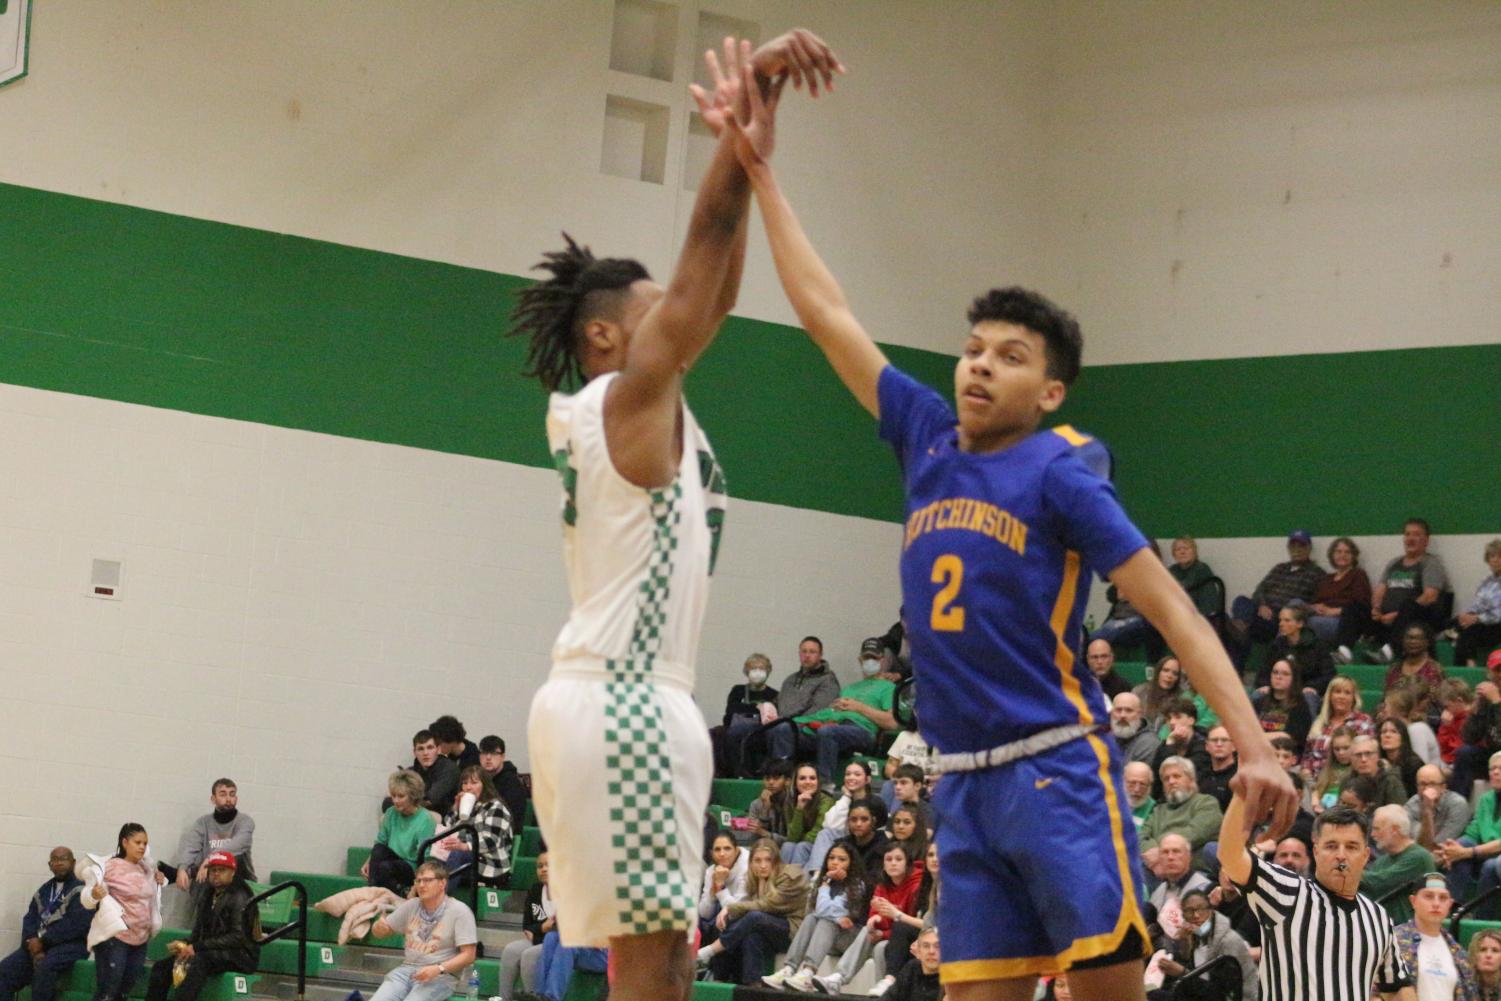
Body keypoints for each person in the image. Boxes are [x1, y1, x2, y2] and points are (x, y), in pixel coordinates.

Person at [728, 74, 1294, 999]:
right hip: (957, 783)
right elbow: (827, 314)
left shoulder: (1059, 470)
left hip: (1056, 770)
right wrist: (760, 173)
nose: (982, 364)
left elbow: (1174, 612)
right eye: (975, 347)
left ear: (1051, 392)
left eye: (1011, 355)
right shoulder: (924, 437)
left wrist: (1256, 744)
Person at [513, 32, 840, 1001]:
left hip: (605, 697)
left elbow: (714, 288)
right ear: (608, 333)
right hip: (623, 699)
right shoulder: (622, 397)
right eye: (656, 313)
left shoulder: (628, 407)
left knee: (651, 958)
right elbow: (701, 267)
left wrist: (748, 164)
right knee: (654, 962)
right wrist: (739, 133)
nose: (681, 321)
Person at [1219, 798, 1414, 1001]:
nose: (1341, 855)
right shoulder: (1288, 892)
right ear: (1316, 852)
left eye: (1351, 847)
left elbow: (1396, 988)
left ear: (1365, 856)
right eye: (1331, 846)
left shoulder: (1377, 917)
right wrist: (1243, 793)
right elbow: (1230, 856)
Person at [766, 638, 898, 789]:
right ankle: (781, 781)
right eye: (866, 657)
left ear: (882, 660)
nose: (869, 661)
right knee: (783, 728)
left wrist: (859, 707)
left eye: (874, 658)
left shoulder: (888, 687)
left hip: (862, 731)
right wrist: (796, 721)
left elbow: (892, 722)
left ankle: (824, 785)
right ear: (860, 660)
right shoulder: (850, 688)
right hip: (833, 724)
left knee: (827, 731)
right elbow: (829, 712)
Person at [144, 853, 258, 1001]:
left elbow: (238, 937)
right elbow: (199, 931)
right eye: (213, 870)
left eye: (222, 870)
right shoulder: (207, 893)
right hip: (211, 950)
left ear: (233, 872)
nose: (216, 874)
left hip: (240, 955)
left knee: (197, 961)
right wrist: (185, 944)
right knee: (162, 967)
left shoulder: (241, 896)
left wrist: (197, 947)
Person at [697, 838, 810, 985]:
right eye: (757, 860)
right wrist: (727, 909)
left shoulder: (791, 875)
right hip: (767, 930)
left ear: (776, 860)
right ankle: (744, 985)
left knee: (754, 917)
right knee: (749, 934)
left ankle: (708, 952)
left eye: (768, 860)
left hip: (792, 932)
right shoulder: (754, 877)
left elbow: (768, 905)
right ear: (751, 862)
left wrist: (729, 908)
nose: (763, 865)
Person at [836, 840, 940, 997]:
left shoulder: (919, 885)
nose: (934, 859)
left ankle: (888, 983)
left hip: (928, 939)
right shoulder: (885, 885)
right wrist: (874, 923)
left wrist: (896, 915)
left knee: (897, 930)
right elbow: (878, 917)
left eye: (898, 859)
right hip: (902, 937)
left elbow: (925, 924)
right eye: (930, 855)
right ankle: (876, 988)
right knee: (877, 943)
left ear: (908, 863)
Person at [761, 842, 867, 991]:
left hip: (849, 937)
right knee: (812, 918)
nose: (835, 862)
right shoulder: (821, 879)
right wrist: (825, 885)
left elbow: (827, 910)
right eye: (832, 858)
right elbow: (814, 911)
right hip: (825, 937)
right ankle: (789, 969)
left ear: (851, 863)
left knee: (826, 921)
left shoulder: (856, 884)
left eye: (842, 859)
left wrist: (825, 885)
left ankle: (808, 972)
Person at [368, 860, 478, 1001]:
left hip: (440, 977)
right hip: (405, 971)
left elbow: (469, 956)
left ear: (442, 883)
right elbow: (382, 931)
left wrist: (438, 969)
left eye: (427, 880)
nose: (421, 885)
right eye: (418, 881)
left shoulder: (459, 911)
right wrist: (378, 928)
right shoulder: (411, 905)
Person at [80, 824, 166, 1001]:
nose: (142, 846)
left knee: (125, 990)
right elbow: (87, 896)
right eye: (138, 842)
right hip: (115, 938)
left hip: (140, 939)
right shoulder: (110, 866)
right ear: (125, 842)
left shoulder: (147, 868)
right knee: (108, 990)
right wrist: (94, 895)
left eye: (145, 843)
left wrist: (160, 881)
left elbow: (152, 897)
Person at [0, 847, 89, 1001]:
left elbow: (75, 925)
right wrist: (31, 942)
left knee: (44, 969)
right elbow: (29, 919)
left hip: (70, 945)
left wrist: (42, 941)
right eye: (54, 860)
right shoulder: (44, 890)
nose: (59, 863)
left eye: (63, 859)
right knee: (4, 971)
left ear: (73, 863)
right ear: (50, 865)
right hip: (39, 946)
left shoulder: (83, 889)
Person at [1149, 888, 1258, 1001]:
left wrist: (1182, 972)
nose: (1196, 915)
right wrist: (1184, 944)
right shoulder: (1195, 935)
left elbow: (1220, 994)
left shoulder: (1226, 941)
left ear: (1211, 911)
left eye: (1201, 909)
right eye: (1190, 911)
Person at [1228, 530, 1325, 655]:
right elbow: (1260, 589)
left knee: (1237, 634)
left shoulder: (1316, 573)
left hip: (1279, 620)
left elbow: (1315, 604)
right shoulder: (1280, 568)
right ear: (1288, 548)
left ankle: (1238, 630)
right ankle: (1240, 629)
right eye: (1293, 546)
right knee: (1241, 601)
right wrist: (1262, 605)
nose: (1297, 550)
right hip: (1261, 613)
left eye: (1301, 546)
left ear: (1309, 548)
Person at [1370, 519, 1452, 663]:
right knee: (1354, 607)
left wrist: (1397, 615)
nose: (1410, 539)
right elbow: (1380, 590)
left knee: (1409, 605)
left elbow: (1430, 596)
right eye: (1407, 535)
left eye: (1416, 535)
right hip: (1387, 619)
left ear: (1426, 540)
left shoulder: (1431, 563)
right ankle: (1343, 652)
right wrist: (1376, 609)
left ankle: (1389, 651)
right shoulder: (1394, 563)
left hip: (1418, 618)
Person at [1392, 875, 1479, 1001]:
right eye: (1429, 896)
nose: (1436, 903)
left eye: (1443, 898)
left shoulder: (1459, 953)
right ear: (1413, 901)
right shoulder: (1393, 941)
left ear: (1450, 904)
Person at [1436, 752, 1501, 912]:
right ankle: (1451, 907)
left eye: (1500, 768)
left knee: (1490, 866)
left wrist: (1468, 851)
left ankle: (1481, 920)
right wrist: (1453, 848)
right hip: (1483, 851)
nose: (1495, 772)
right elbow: (1473, 832)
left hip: (1495, 856)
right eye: (1492, 768)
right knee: (1459, 847)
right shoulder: (1486, 799)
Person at [436, 766, 514, 888]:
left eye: (474, 783)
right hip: (468, 860)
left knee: (457, 854)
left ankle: (439, 898)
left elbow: (491, 842)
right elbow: (447, 830)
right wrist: (455, 808)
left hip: (490, 864)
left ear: (485, 785)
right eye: (465, 783)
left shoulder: (496, 807)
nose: (468, 787)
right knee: (434, 856)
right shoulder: (467, 806)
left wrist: (464, 846)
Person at [362, 770, 437, 895]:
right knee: (379, 850)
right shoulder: (391, 812)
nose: (396, 800)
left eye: (401, 796)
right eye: (393, 796)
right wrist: (368, 862)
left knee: (385, 868)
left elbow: (424, 856)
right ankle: (372, 890)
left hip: (411, 866)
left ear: (413, 796)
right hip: (392, 858)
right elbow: (381, 842)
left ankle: (399, 893)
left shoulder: (426, 819)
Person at [173, 779, 256, 891]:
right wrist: (182, 868)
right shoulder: (202, 823)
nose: (228, 799)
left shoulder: (245, 821)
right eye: (223, 794)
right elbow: (191, 848)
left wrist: (210, 859)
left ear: (236, 799)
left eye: (232, 794)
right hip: (209, 882)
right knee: (194, 871)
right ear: (213, 799)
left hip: (239, 883)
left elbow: (239, 844)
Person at [1360, 806, 1436, 926]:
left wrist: (1346, 872)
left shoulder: (1418, 857)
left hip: (1410, 932)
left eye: (1377, 829)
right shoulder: (1382, 861)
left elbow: (1379, 882)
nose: (1373, 835)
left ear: (1395, 829)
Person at [1140, 758, 1223, 862]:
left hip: (1195, 870)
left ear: (1191, 780)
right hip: (1158, 868)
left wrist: (1160, 851)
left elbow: (1195, 833)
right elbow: (1141, 836)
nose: (1171, 781)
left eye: (1176, 776)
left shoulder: (1206, 802)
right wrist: (1151, 849)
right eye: (1166, 778)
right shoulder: (1158, 810)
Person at [498, 850, 553, 1001]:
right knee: (511, 950)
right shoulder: (535, 890)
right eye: (540, 866)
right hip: (538, 939)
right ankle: (504, 998)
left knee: (529, 955)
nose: (543, 869)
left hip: (557, 944)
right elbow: (527, 925)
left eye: (549, 865)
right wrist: (542, 928)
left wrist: (538, 931)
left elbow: (559, 929)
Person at [715, 653, 779, 777]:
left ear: (768, 671)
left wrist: (745, 709)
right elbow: (731, 710)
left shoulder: (774, 694)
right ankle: (732, 772)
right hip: (735, 728)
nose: (757, 672)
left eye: (762, 668)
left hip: (761, 729)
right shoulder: (738, 690)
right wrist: (756, 707)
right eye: (753, 668)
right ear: (746, 671)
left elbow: (772, 715)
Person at [1304, 677, 1376, 782]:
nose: (1341, 697)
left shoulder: (1363, 722)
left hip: (1350, 781)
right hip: (1315, 781)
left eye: (1347, 693)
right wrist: (1305, 770)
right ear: (1330, 696)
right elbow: (1307, 755)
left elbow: (1369, 756)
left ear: (1354, 698)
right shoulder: (1319, 723)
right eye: (1337, 692)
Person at [1311, 536, 1373, 656]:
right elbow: (1315, 601)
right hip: (1319, 617)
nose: (1342, 555)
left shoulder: (1358, 574)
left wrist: (1333, 611)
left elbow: (1360, 605)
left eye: (1347, 552)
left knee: (1301, 623)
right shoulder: (1326, 579)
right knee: (1295, 604)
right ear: (1332, 555)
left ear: (1353, 556)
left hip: (1343, 622)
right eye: (1338, 552)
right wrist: (1316, 607)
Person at [1262, 605, 1335, 696]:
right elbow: (1264, 673)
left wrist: (1311, 686)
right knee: (1259, 695)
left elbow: (1329, 675)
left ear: (1300, 623)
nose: (1281, 624)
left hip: (1305, 691)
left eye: (1287, 620)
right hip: (1278, 691)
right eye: (1280, 620)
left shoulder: (1317, 646)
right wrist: (1266, 685)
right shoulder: (1276, 646)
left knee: (1308, 697)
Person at [697, 832, 748, 947]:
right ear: (711, 853)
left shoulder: (747, 867)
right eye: (717, 849)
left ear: (736, 850)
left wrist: (720, 888)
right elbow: (704, 913)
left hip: (744, 917)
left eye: (727, 848)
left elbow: (736, 911)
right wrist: (712, 891)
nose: (722, 854)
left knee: (722, 921)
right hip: (718, 918)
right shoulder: (711, 871)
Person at [1253, 660, 1315, 752]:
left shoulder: (1300, 707)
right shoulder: (1259, 703)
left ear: (1294, 679)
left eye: (1285, 674)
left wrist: (1259, 737)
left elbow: (1293, 739)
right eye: (1275, 672)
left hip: (1285, 757)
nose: (1278, 677)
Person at [1456, 541, 1501, 667]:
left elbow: (1498, 615)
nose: (1496, 560)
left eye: (1500, 556)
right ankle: (1467, 665)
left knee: (1468, 631)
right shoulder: (1486, 581)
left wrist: (1476, 618)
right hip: (1482, 623)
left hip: (1497, 625)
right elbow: (1478, 604)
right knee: (1456, 622)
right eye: (1492, 556)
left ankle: (1470, 665)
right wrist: (1467, 615)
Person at [1408, 764, 1472, 853]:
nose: (1427, 789)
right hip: (1420, 856)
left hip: (1450, 856)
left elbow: (1436, 846)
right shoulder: (1412, 805)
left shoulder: (1458, 804)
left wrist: (1427, 810)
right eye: (1422, 784)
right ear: (1417, 787)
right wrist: (1427, 810)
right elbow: (1420, 845)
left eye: (1432, 784)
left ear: (1443, 787)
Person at [782, 763, 836, 865]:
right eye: (802, 778)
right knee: (787, 846)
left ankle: (796, 880)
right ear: (795, 782)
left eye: (812, 778)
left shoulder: (827, 801)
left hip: (821, 846)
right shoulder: (790, 801)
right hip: (799, 845)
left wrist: (800, 840)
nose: (808, 782)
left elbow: (817, 833)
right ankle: (782, 880)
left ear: (818, 781)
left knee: (802, 846)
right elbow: (792, 837)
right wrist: (799, 808)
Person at [1145, 834, 1211, 912]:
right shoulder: (1157, 893)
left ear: (1189, 856)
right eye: (1165, 852)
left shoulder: (1205, 889)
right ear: (1159, 858)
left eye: (1176, 851)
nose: (1170, 857)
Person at [478, 735, 529, 834]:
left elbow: (511, 817)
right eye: (484, 753)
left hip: (502, 833)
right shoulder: (478, 779)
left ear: (502, 757)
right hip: (480, 829)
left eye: (494, 753)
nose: (488, 757)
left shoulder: (512, 783)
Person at [1385, 624, 1447, 704]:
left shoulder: (1435, 670)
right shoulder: (1393, 670)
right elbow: (1386, 699)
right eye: (1409, 638)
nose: (1413, 642)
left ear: (1427, 642)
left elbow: (1439, 701)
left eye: (1418, 638)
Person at [1343, 735, 1409, 807]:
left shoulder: (1391, 782)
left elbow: (1399, 814)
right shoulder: (1347, 781)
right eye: (1358, 755)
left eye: (1368, 754)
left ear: (1377, 756)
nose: (1363, 759)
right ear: (1351, 759)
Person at [404, 730, 458, 814]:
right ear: (415, 752)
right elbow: (394, 796)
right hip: (414, 811)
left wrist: (403, 802)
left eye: (430, 748)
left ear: (438, 749)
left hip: (443, 817)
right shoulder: (411, 772)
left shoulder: (449, 769)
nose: (425, 753)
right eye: (421, 749)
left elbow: (430, 800)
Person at [745, 758, 793, 847]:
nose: (771, 782)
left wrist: (767, 834)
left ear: (788, 781)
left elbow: (793, 840)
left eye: (776, 778)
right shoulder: (756, 804)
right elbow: (753, 839)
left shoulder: (794, 804)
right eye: (767, 778)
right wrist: (765, 809)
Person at [1134, 656, 1189, 732]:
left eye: (1175, 673)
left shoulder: (1181, 698)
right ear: (1158, 672)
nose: (1169, 676)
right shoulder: (1139, 691)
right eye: (1165, 670)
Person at [1110, 692, 1162, 767]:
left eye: (1129, 710)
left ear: (1140, 714)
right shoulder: (1104, 737)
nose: (1122, 715)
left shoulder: (1149, 743)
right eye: (1118, 710)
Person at [1379, 718, 1426, 800]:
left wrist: (1389, 771)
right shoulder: (1379, 762)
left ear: (1403, 737)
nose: (1387, 735)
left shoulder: (1413, 764)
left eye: (1394, 732)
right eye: (1384, 732)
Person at [1199, 726, 1239, 810]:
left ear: (1234, 746)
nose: (1219, 744)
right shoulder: (1200, 775)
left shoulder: (1240, 776)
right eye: (1214, 740)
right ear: (1207, 746)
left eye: (1224, 740)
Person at [1470, 928, 1501, 1001]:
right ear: (1474, 954)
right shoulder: (1463, 984)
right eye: (1483, 950)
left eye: (1495, 950)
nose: (1488, 955)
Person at [1123, 762, 1156, 830]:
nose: (1137, 789)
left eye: (1142, 784)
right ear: (1122, 782)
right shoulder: (1109, 803)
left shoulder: (1154, 809)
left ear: (1149, 786)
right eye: (1132, 783)